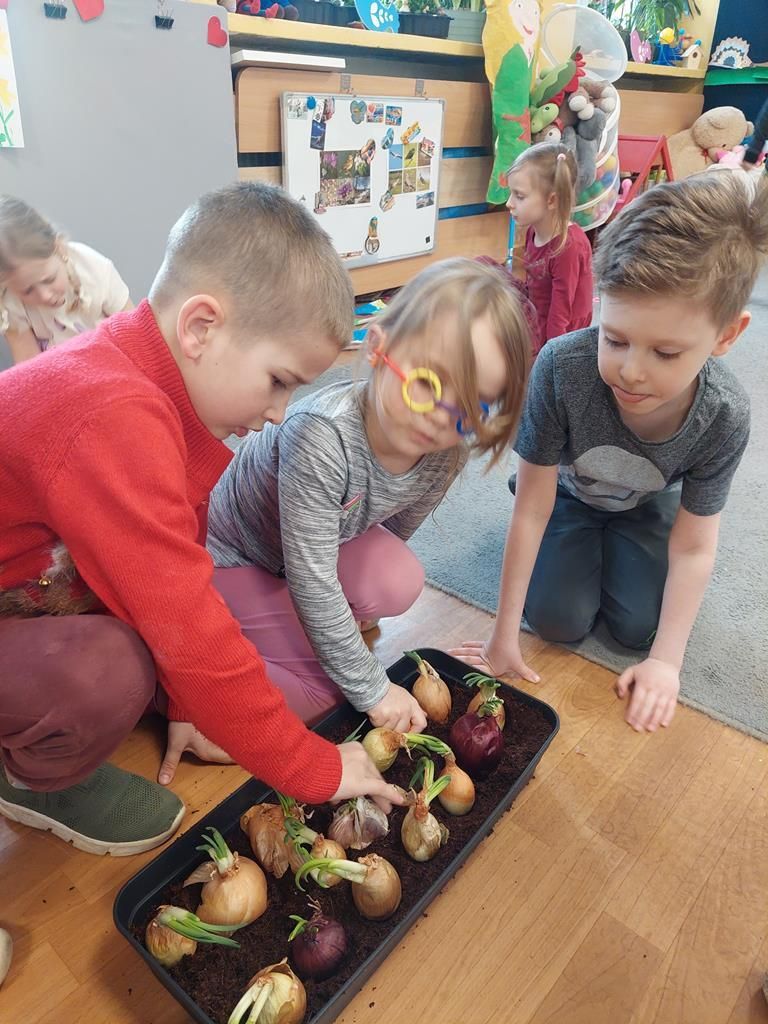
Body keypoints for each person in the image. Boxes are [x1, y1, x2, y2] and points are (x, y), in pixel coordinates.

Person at [0, 182, 403, 858]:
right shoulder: (112, 414)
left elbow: (174, 562)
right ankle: (33, 782)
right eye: (278, 380)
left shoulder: (162, 402)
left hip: (27, 590)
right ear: (200, 328)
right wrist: (314, 767)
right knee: (112, 670)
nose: (278, 413)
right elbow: (186, 630)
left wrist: (185, 705)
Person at [455, 169, 768, 733]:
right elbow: (532, 507)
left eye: (665, 353)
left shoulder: (724, 413)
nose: (631, 371)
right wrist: (502, 632)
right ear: (601, 305)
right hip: (565, 496)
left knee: (639, 629)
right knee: (557, 620)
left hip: (647, 504)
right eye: (615, 338)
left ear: (727, 335)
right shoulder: (561, 367)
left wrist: (667, 663)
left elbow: (695, 546)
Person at [206, 258, 532, 729]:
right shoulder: (321, 436)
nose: (439, 419)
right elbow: (313, 581)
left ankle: (268, 632)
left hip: (305, 554)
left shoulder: (445, 452)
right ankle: (183, 679)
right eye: (427, 384)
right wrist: (371, 687)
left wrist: (337, 634)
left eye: (468, 409)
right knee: (327, 696)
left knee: (397, 578)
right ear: (378, 348)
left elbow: (392, 531)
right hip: (236, 558)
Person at [0, 196, 131, 363]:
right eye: (27, 290)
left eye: (49, 279)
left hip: (112, 361)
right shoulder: (9, 301)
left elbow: (132, 331)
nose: (45, 295)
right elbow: (27, 365)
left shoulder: (93, 269)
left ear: (59, 248)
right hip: (57, 373)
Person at [505, 142, 593, 355]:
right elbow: (533, 286)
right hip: (538, 313)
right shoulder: (532, 232)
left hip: (560, 337)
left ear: (552, 200)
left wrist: (549, 358)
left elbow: (560, 316)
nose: (509, 203)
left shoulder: (569, 247)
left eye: (519, 196)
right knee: (484, 266)